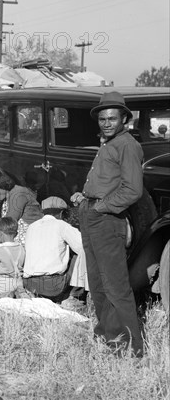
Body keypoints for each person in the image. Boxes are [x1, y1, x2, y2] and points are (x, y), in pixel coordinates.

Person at [71, 91, 145, 356]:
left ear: (124, 118)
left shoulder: (126, 144)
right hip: (92, 215)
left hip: (107, 219)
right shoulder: (108, 143)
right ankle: (109, 336)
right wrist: (85, 197)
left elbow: (132, 190)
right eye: (102, 118)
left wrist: (101, 206)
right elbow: (106, 182)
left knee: (115, 285)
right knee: (98, 282)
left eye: (112, 118)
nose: (106, 123)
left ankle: (131, 347)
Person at [22, 197, 89, 303]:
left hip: (29, 284)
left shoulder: (32, 227)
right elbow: (83, 247)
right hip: (53, 286)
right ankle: (74, 297)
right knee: (82, 255)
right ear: (62, 213)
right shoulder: (61, 225)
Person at [0, 173, 43, 246]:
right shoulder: (7, 196)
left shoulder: (18, 194)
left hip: (29, 237)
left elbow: (9, 221)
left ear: (3, 187)